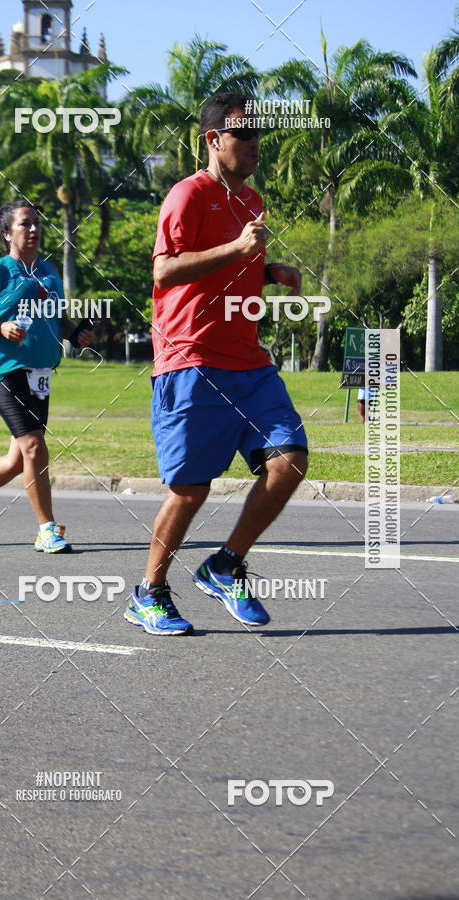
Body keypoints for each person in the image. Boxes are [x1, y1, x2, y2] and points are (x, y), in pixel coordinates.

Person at [124, 92, 308, 636]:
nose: (254, 145)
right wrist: (235, 249)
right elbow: (164, 273)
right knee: (191, 489)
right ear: (213, 139)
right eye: (242, 136)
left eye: (258, 136)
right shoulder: (187, 195)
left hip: (248, 363)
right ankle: (149, 592)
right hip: (191, 360)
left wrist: (270, 270)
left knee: (290, 459)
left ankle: (225, 563)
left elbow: (234, 264)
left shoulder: (251, 201)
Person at [0, 199, 92, 552]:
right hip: (4, 370)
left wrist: (75, 334)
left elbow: (57, 317)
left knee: (18, 459)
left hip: (41, 373)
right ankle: (47, 529)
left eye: (36, 223)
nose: (33, 229)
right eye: (24, 224)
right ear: (6, 234)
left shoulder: (47, 272)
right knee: (34, 446)